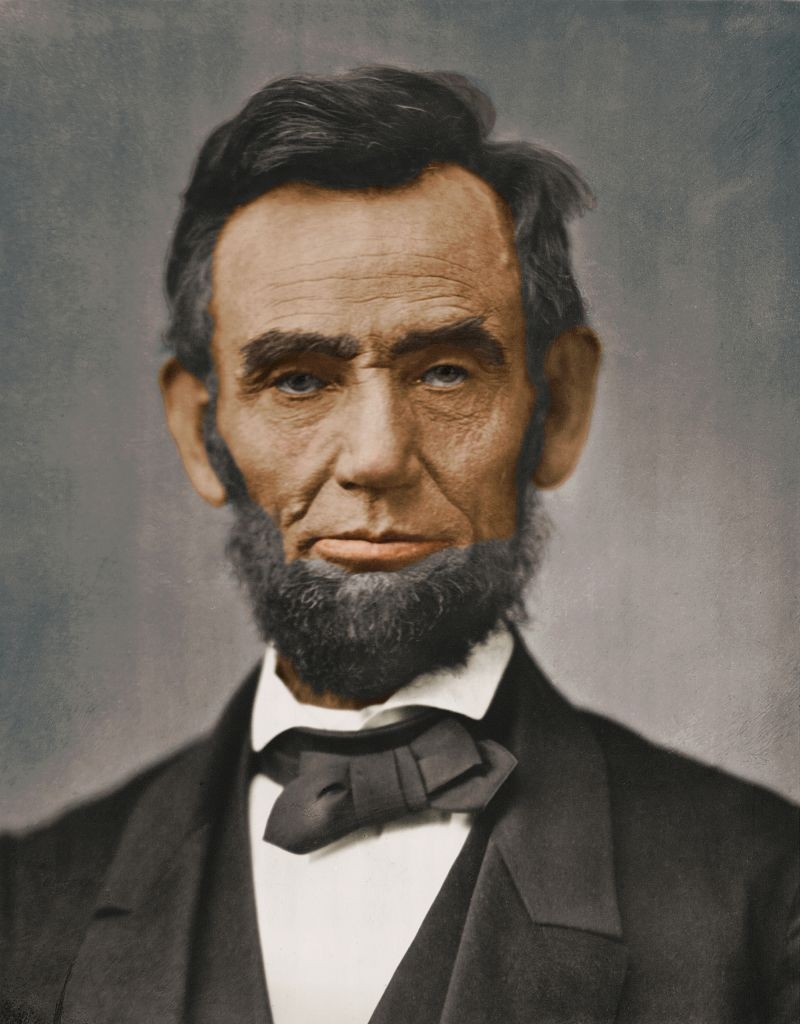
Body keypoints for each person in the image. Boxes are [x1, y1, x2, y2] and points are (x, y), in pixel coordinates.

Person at [1, 66, 796, 1024]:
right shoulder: (25, 908)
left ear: (562, 406)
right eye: (298, 380)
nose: (377, 457)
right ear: (199, 430)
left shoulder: (765, 894)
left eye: (447, 372)